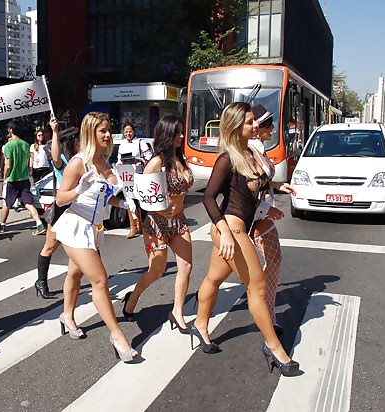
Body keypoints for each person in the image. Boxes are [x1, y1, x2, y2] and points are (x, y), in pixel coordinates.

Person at [194, 102, 299, 376]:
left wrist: (278, 186)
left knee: (214, 279)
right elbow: (208, 197)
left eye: (254, 121)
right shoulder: (227, 158)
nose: (256, 125)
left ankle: (200, 325)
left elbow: (255, 185)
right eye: (250, 122)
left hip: (238, 227)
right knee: (257, 286)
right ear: (235, 126)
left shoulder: (249, 152)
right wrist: (224, 232)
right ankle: (274, 348)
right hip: (231, 228)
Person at [52, 112, 138, 362]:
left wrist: (123, 204)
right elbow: (60, 198)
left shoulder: (104, 160)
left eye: (109, 129)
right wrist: (79, 189)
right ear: (90, 132)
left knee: (75, 274)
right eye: (102, 130)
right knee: (100, 280)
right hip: (75, 226)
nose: (108, 134)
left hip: (95, 228)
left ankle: (67, 315)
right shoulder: (79, 163)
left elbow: (103, 195)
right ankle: (117, 335)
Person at [121, 116, 194, 334]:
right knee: (156, 271)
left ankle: (177, 312)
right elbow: (144, 197)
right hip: (157, 224)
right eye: (177, 132)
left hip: (179, 221)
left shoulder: (181, 158)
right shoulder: (156, 162)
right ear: (166, 134)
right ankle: (132, 298)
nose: (181, 136)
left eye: (182, 131)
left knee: (186, 267)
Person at [249, 104, 297, 336]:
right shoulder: (249, 150)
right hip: (250, 217)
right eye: (268, 125)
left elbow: (262, 182)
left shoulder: (257, 147)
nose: (273, 128)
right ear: (257, 129)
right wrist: (267, 208)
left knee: (216, 276)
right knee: (272, 261)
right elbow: (247, 189)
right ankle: (265, 312)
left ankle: (267, 312)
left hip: (257, 215)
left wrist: (278, 186)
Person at [35, 119, 80, 299]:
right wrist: (54, 132)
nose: (82, 143)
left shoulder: (83, 158)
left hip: (81, 209)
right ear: (72, 142)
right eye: (78, 140)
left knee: (88, 246)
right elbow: (54, 157)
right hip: (63, 208)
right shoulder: (62, 159)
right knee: (50, 246)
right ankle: (41, 281)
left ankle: (96, 281)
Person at [0, 121, 45, 234]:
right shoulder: (26, 144)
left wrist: (5, 178)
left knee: (6, 203)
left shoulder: (9, 145)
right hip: (24, 178)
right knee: (28, 203)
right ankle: (39, 223)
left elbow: (8, 165)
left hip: (12, 179)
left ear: (11, 130)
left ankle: (2, 225)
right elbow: (28, 162)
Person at [116, 123, 144, 239]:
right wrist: (121, 163)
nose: (128, 134)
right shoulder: (122, 145)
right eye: (126, 132)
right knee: (128, 198)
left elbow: (148, 158)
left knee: (137, 199)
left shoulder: (140, 143)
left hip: (137, 174)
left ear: (134, 131)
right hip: (126, 175)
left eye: (130, 131)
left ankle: (140, 225)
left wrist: (137, 160)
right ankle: (133, 226)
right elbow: (119, 160)